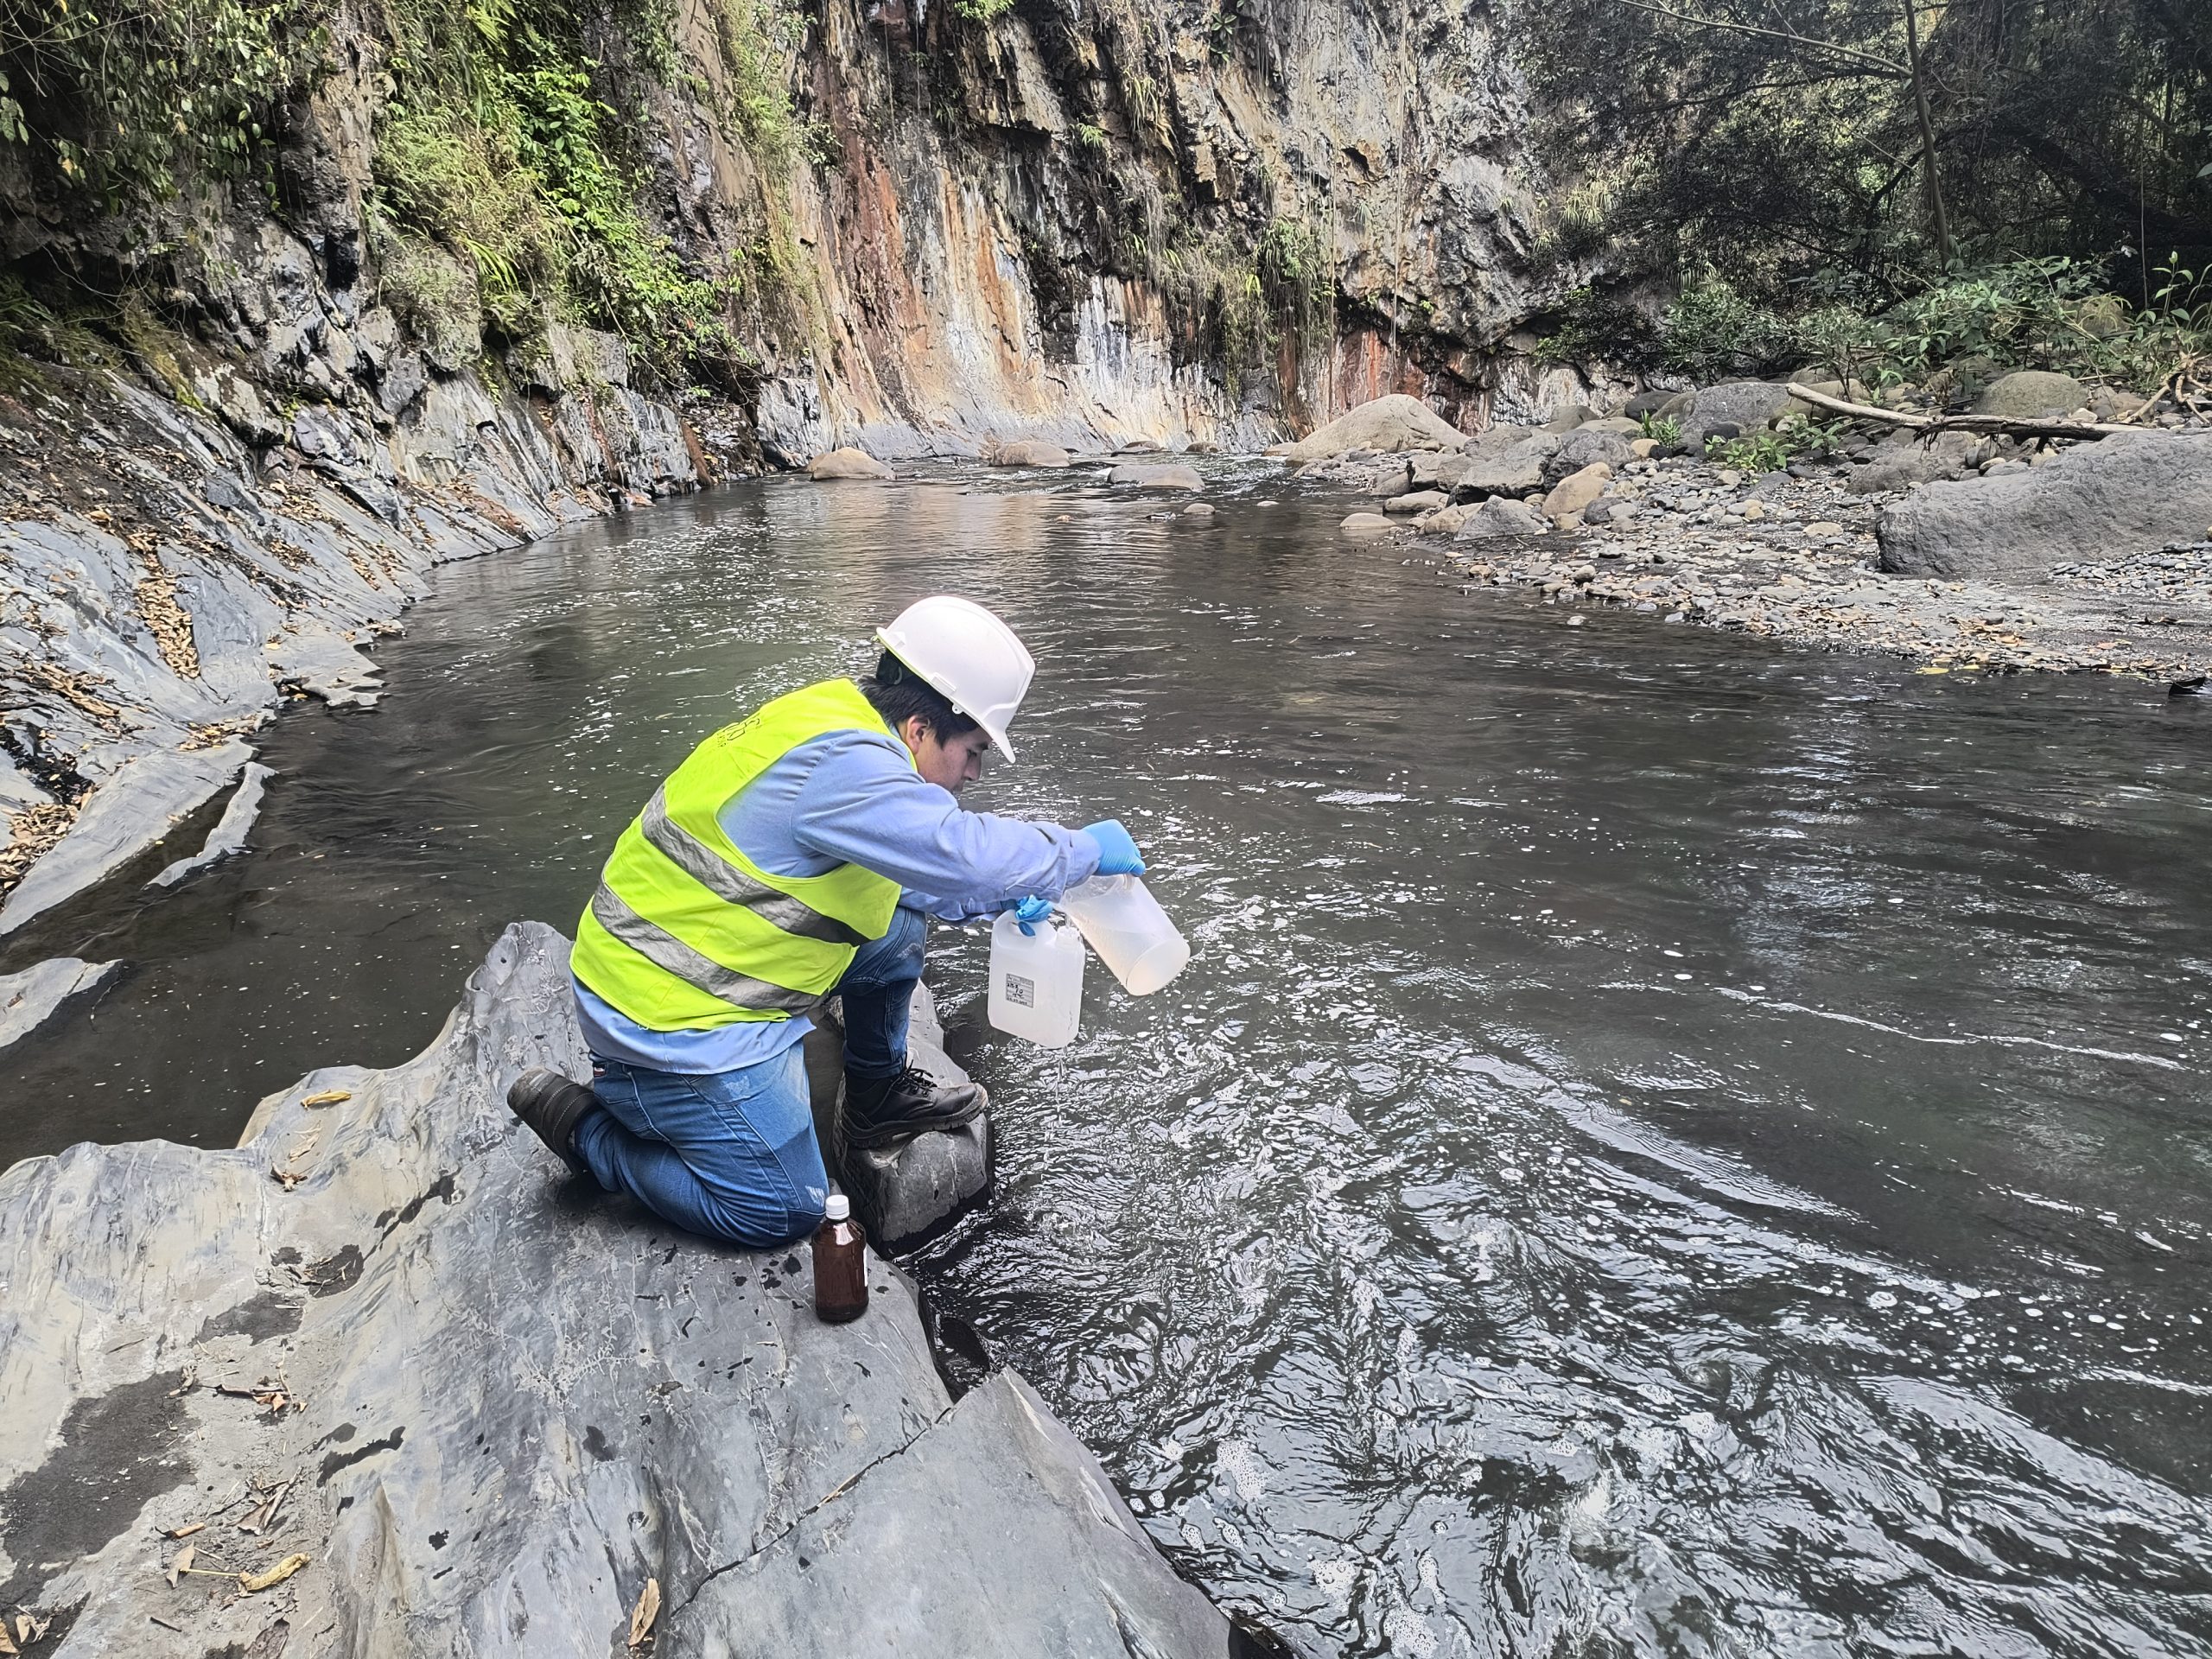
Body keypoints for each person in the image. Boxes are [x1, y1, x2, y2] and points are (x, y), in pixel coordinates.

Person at [505, 594, 1145, 1247]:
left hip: (680, 964)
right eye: (974, 750)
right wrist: (1080, 854)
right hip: (669, 1018)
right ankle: (593, 1133)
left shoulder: (836, 716)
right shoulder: (850, 769)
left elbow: (919, 878)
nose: (975, 773)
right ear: (921, 728)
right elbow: (960, 855)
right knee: (785, 1211)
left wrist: (1009, 897)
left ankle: (875, 1097)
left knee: (897, 928)